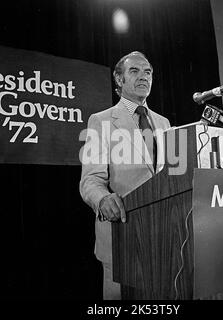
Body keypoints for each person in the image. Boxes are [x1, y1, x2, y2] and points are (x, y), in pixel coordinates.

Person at [79, 51, 171, 300]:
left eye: (148, 72)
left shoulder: (164, 123)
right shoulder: (101, 121)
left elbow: (171, 177)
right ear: (118, 80)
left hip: (162, 238)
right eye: (135, 71)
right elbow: (91, 180)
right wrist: (102, 199)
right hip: (121, 239)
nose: (144, 77)